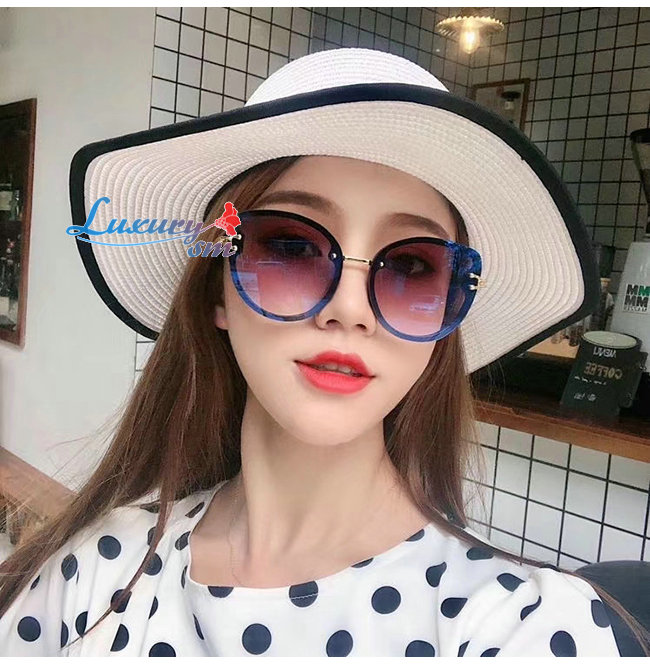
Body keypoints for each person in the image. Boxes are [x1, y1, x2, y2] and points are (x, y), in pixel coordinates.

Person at [0, 47, 648, 657]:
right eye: (290, 248)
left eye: (412, 266)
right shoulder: (96, 571)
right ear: (215, 292)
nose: (351, 308)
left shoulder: (531, 631)